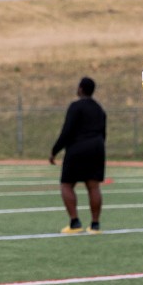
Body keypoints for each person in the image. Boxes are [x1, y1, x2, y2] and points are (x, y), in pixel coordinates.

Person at [49, 76, 107, 234]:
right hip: (97, 147)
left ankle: (75, 222)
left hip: (77, 147)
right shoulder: (99, 109)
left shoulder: (75, 106)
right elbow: (103, 133)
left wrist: (54, 151)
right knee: (93, 186)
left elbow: (66, 131)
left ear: (80, 89)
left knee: (66, 184)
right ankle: (95, 225)